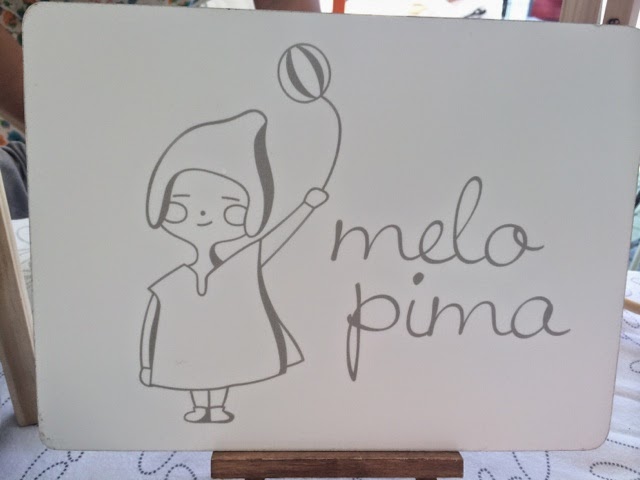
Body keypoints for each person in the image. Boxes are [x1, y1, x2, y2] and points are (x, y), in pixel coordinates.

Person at [0, 0, 320, 218]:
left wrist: (300, 102)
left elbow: (289, 13)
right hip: (39, 103)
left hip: (187, 97)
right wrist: (61, 131)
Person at [139, 110, 329, 423]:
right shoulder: (170, 283)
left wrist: (306, 207)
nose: (202, 215)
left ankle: (216, 406)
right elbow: (152, 321)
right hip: (186, 348)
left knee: (220, 362)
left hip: (223, 344)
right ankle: (200, 407)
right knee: (196, 362)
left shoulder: (239, 265)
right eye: (180, 206)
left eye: (230, 209)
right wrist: (147, 363)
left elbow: (275, 239)